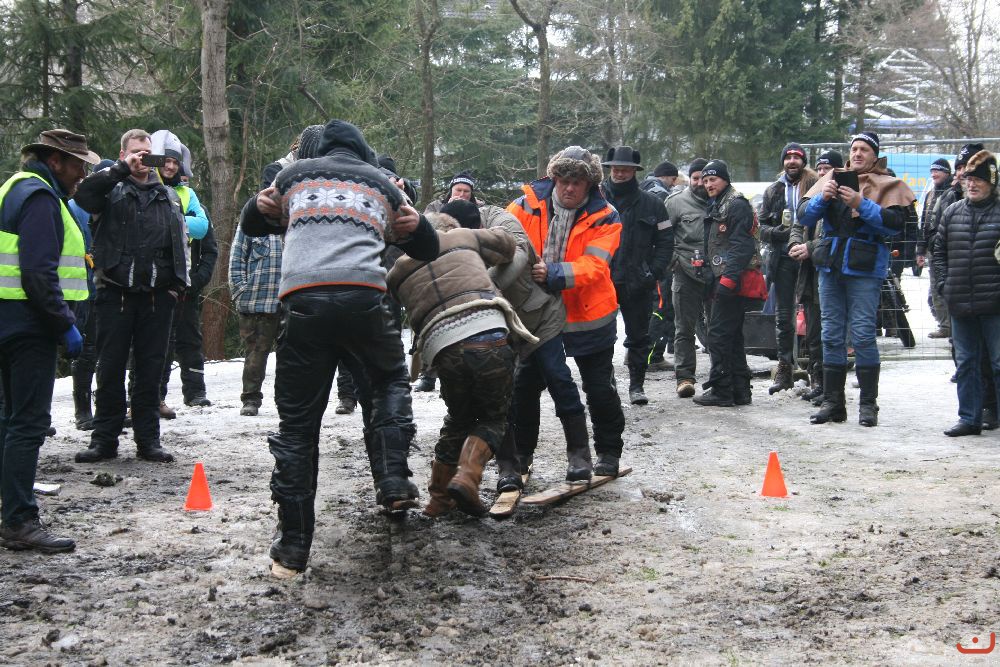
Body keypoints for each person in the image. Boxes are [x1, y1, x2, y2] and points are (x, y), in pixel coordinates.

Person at [240, 119, 439, 575]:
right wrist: (415, 221)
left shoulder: (292, 176)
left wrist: (257, 203)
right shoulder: (383, 182)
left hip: (302, 304)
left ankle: (293, 548)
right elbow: (427, 246)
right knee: (388, 383)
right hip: (365, 299)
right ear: (364, 151)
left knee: (297, 426)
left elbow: (253, 222)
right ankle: (393, 480)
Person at [387, 208, 522, 516]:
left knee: (459, 419)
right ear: (448, 228)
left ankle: (438, 499)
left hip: (443, 348)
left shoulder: (396, 271)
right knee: (494, 417)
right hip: (487, 333)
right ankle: (467, 477)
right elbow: (508, 245)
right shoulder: (462, 237)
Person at [445, 198, 588, 489]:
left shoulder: (503, 222)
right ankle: (510, 465)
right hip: (499, 325)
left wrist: (474, 289)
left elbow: (518, 256)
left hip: (540, 316)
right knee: (505, 393)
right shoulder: (445, 237)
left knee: (558, 377)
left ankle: (579, 455)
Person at [1, 129, 99, 552]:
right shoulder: (40, 198)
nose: (82, 174)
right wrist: (64, 323)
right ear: (54, 161)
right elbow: (38, 272)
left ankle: (11, 509)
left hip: (8, 319)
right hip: (28, 325)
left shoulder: (13, 189)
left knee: (9, 419)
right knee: (28, 423)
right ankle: (19, 520)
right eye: (77, 165)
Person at [507, 146, 626, 476]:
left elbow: (596, 265)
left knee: (599, 388)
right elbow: (500, 240)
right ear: (554, 178)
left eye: (577, 182)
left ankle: (608, 453)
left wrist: (554, 273)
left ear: (590, 184)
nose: (569, 188)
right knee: (524, 386)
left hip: (589, 315)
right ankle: (522, 454)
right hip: (537, 315)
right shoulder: (523, 206)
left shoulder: (606, 216)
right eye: (564, 181)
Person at [73, 129, 190, 463]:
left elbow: (179, 244)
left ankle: (148, 441)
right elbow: (83, 196)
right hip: (115, 294)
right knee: (110, 370)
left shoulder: (168, 196)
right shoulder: (109, 191)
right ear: (123, 154)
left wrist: (177, 286)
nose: (143, 158)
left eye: (147, 152)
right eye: (137, 152)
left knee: (150, 372)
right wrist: (120, 170)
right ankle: (104, 441)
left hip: (157, 298)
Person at [797, 132, 916, 426]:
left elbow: (894, 225)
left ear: (875, 155)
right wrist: (822, 199)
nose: (858, 153)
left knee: (862, 335)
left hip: (865, 268)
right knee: (830, 334)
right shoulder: (832, 178)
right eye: (854, 148)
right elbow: (805, 216)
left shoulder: (888, 184)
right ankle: (833, 403)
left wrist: (861, 203)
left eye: (864, 149)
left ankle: (867, 405)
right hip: (831, 266)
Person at [932, 150, 1000, 436]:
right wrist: (944, 285)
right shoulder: (952, 212)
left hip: (995, 304)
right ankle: (969, 418)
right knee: (966, 363)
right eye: (968, 179)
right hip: (959, 301)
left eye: (978, 180)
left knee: (998, 363)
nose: (971, 184)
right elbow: (939, 252)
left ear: (992, 182)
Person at [152, 130, 217, 414]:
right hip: (156, 282)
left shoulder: (188, 194)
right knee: (158, 342)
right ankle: (156, 395)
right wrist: (181, 221)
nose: (170, 166)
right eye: (166, 161)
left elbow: (204, 234)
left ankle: (196, 392)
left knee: (190, 339)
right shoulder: (147, 188)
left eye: (175, 162)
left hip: (186, 283)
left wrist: (198, 280)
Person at [601, 146, 672, 405]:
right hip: (601, 281)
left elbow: (666, 242)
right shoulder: (595, 200)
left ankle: (637, 386)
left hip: (637, 282)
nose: (619, 173)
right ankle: (604, 385)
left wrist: (653, 272)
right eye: (615, 169)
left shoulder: (653, 204)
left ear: (634, 171)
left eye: (625, 170)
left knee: (639, 337)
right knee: (601, 337)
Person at [692, 160, 763, 407]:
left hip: (733, 280)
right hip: (722, 277)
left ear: (725, 179)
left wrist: (728, 280)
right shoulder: (718, 203)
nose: (708, 184)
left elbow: (741, 246)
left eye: (713, 179)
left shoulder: (736, 204)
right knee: (731, 336)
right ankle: (740, 390)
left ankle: (722, 390)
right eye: (705, 180)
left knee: (719, 335)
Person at [759, 143, 818, 394]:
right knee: (784, 316)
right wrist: (781, 234)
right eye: (788, 157)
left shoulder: (815, 185)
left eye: (797, 157)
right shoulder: (774, 190)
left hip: (811, 259)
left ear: (803, 161)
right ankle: (785, 368)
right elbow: (761, 228)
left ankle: (817, 371)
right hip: (782, 258)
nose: (792, 161)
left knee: (814, 315)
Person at [666, 159, 712, 398]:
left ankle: (720, 375)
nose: (701, 183)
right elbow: (662, 236)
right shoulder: (675, 203)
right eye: (696, 178)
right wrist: (673, 260)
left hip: (716, 273)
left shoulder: (722, 201)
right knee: (684, 328)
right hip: (685, 272)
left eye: (706, 178)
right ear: (689, 179)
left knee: (719, 328)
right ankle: (684, 378)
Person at [918, 158, 955, 339]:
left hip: (951, 249)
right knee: (935, 291)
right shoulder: (930, 194)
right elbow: (925, 223)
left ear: (947, 173)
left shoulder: (953, 193)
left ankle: (951, 327)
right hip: (934, 250)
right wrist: (920, 250)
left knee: (947, 289)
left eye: (937, 170)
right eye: (932, 171)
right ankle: (945, 326)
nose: (933, 174)